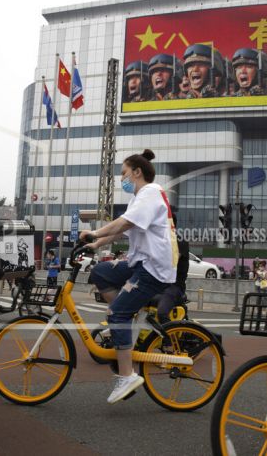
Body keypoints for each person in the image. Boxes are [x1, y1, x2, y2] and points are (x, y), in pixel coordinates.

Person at [82, 149, 178, 404]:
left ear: (137, 172)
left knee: (117, 314)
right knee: (100, 272)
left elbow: (123, 224)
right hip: (140, 263)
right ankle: (125, 318)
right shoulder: (140, 198)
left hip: (153, 268)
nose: (121, 179)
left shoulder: (150, 192)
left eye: (124, 173)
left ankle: (127, 375)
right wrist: (96, 244)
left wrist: (94, 233)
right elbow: (123, 230)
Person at [156, 213, 189, 324]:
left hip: (174, 287)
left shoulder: (180, 242)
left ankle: (169, 339)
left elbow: (172, 260)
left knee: (162, 313)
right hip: (160, 285)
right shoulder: (160, 242)